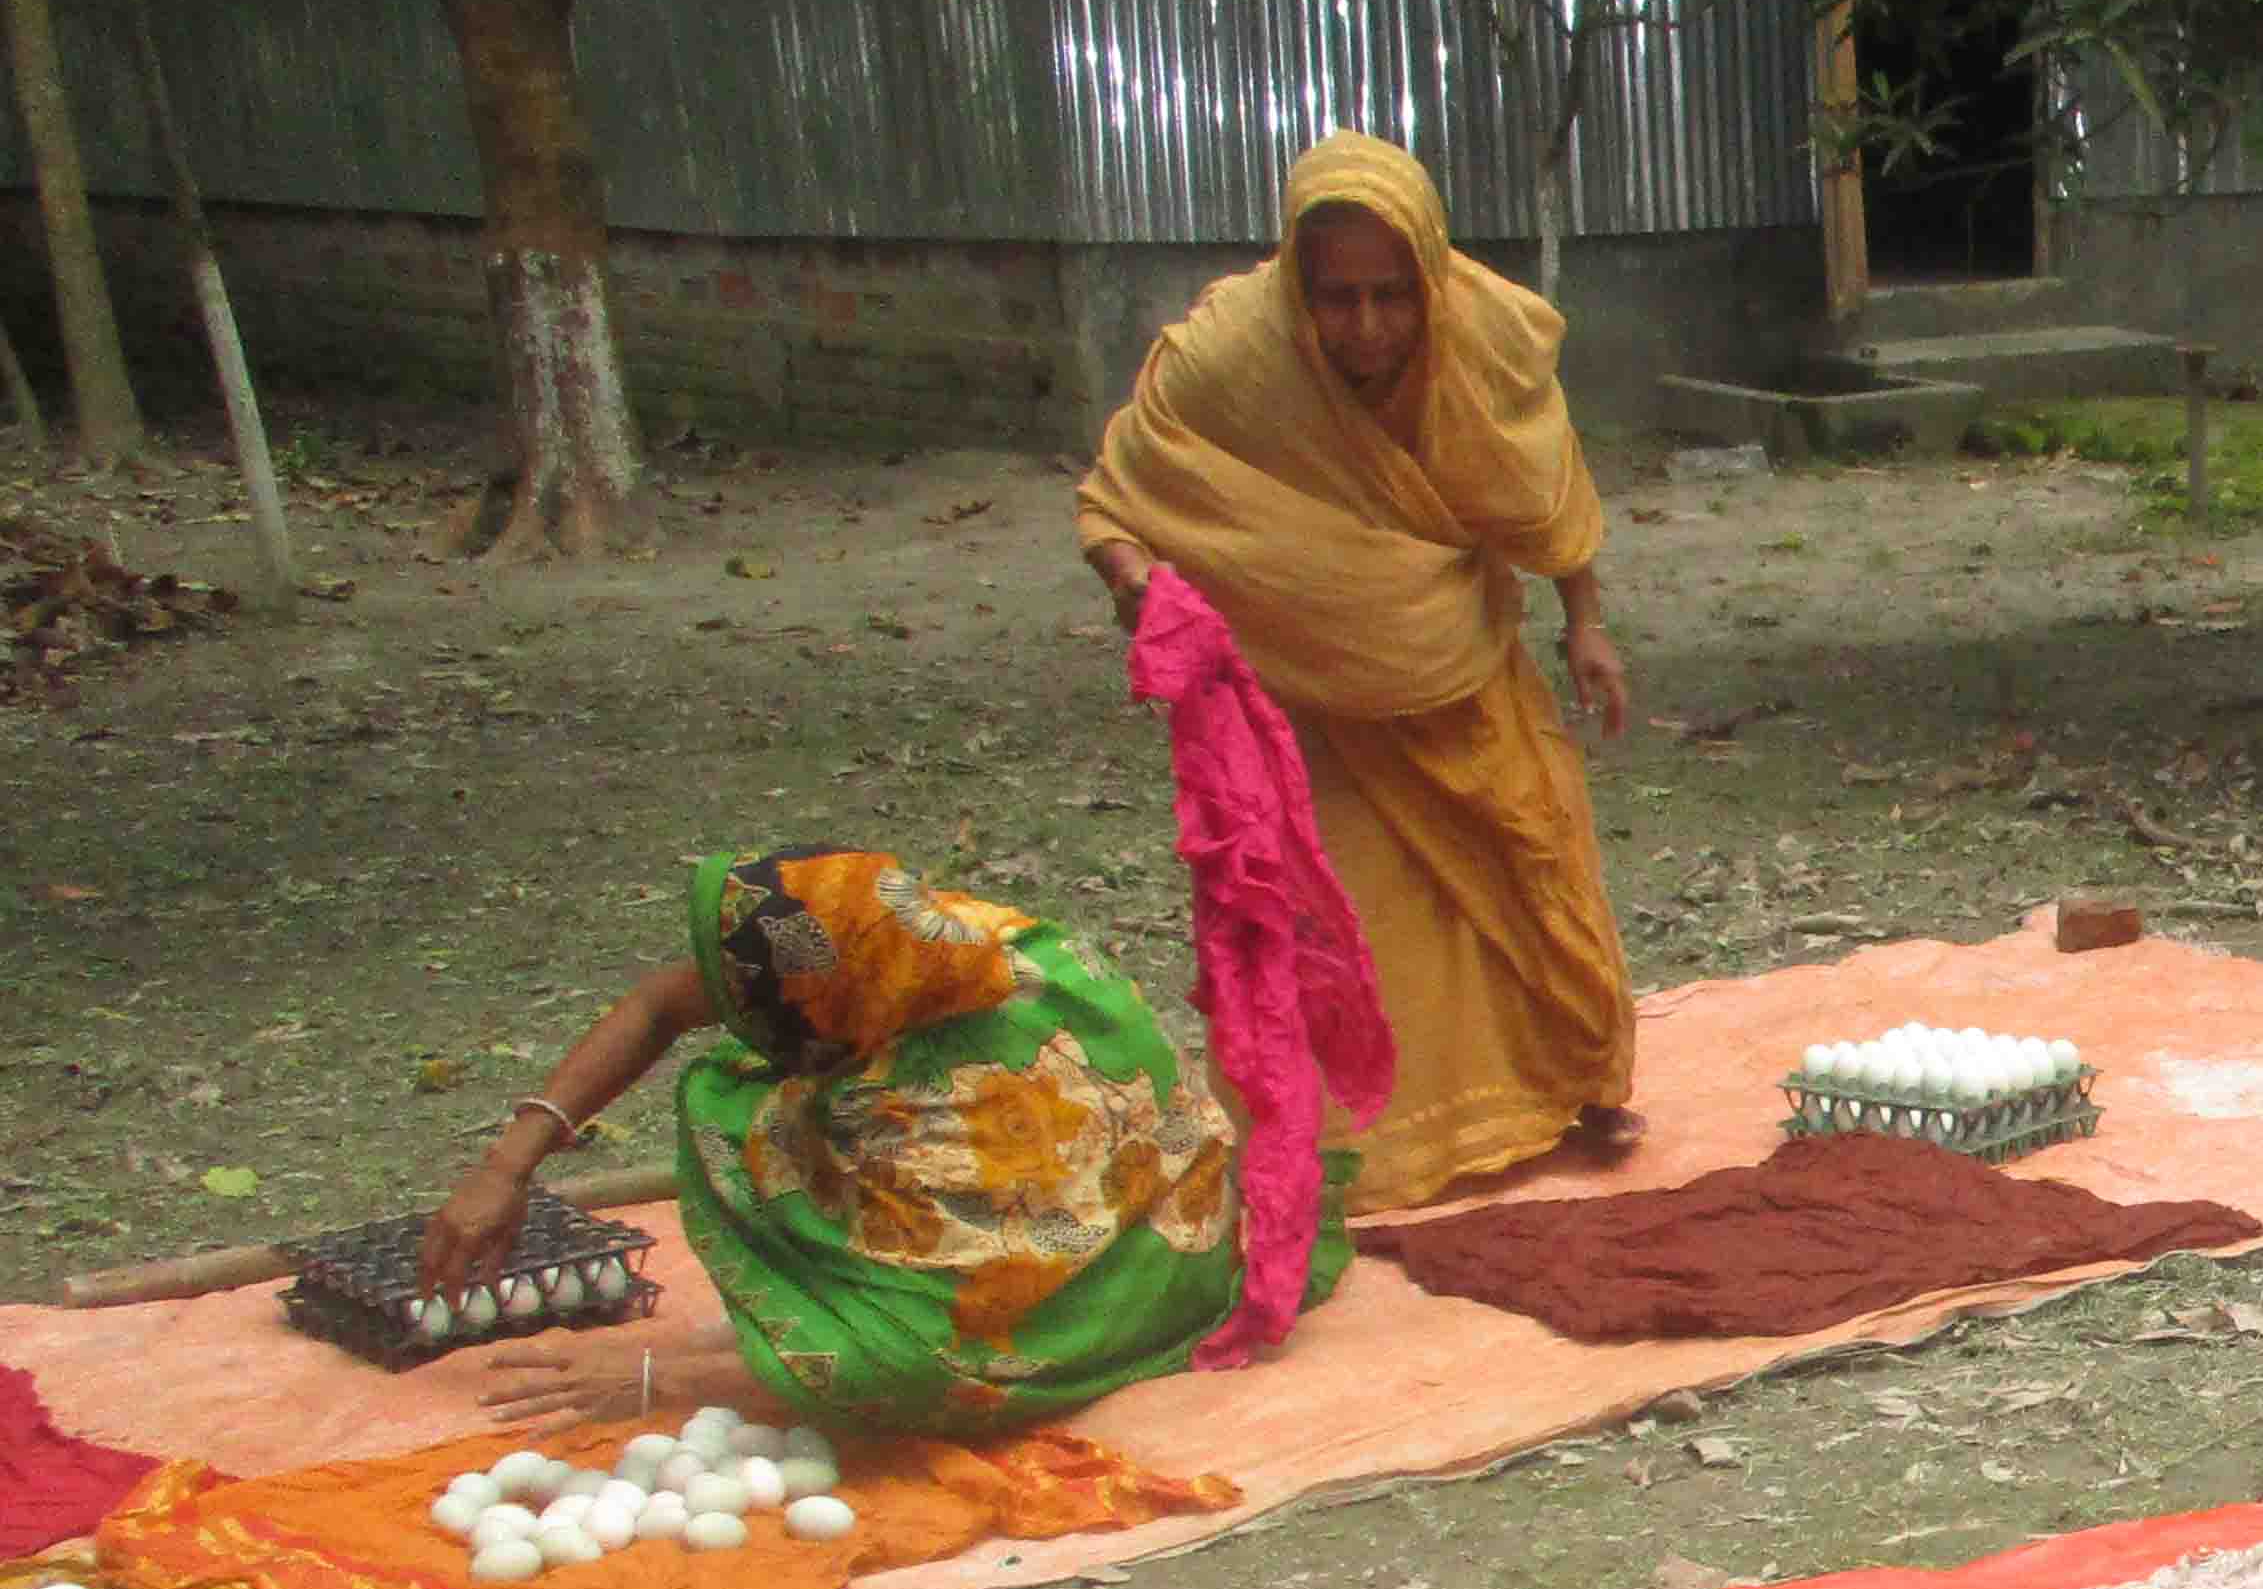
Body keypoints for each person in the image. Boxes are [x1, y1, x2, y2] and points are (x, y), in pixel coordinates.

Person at [1075, 133, 1641, 1210]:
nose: (1368, 327)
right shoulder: (1230, 358)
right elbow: (1113, 501)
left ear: (1430, 278)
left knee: (1525, 881)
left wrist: (1586, 622)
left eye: (1393, 295)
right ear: (1297, 284)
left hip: (1462, 671)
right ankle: (1359, 1153)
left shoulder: (1483, 342)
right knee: (1348, 933)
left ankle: (1555, 1088)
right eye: (1338, 298)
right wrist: (1138, 586)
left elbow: (1543, 491)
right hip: (1311, 709)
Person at [414, 850, 1330, 1437]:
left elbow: (909, 1364)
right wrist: (506, 1165)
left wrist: (666, 1377)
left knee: (738, 1111)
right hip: (1090, 1201)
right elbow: (660, 1004)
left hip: (1131, 1275)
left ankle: (890, 1300)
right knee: (749, 1093)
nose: (735, 1019)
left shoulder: (970, 1104)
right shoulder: (903, 943)